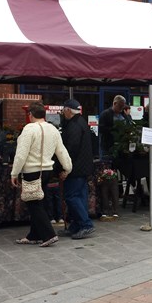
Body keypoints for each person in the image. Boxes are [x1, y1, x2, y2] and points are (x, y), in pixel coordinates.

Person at [11, 101, 72, 247]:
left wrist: (14, 173)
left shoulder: (29, 129)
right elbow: (61, 151)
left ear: (30, 114)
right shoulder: (53, 129)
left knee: (34, 204)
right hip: (46, 171)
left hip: (32, 171)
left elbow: (21, 154)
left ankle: (48, 235)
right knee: (39, 202)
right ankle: (34, 235)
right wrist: (68, 167)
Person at [58, 99, 95, 240]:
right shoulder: (82, 122)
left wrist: (64, 167)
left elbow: (70, 149)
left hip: (75, 167)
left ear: (68, 110)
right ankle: (76, 225)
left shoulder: (73, 126)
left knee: (72, 196)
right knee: (80, 196)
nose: (62, 113)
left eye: (63, 110)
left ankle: (85, 224)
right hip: (83, 166)